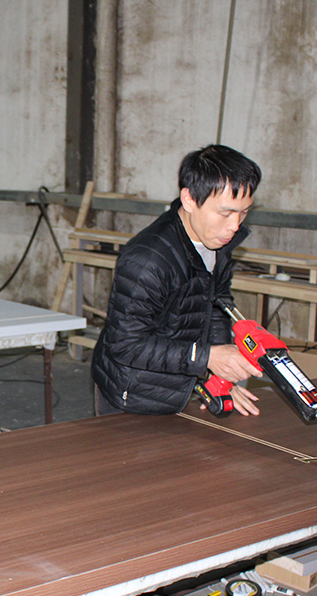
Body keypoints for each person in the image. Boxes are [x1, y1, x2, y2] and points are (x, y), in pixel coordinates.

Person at [92, 144, 264, 417]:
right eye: (225, 213)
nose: (234, 226)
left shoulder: (216, 242)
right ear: (189, 199)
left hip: (181, 385)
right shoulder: (148, 259)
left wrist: (220, 372)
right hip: (133, 396)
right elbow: (126, 345)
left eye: (244, 212)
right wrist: (207, 358)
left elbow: (215, 307)